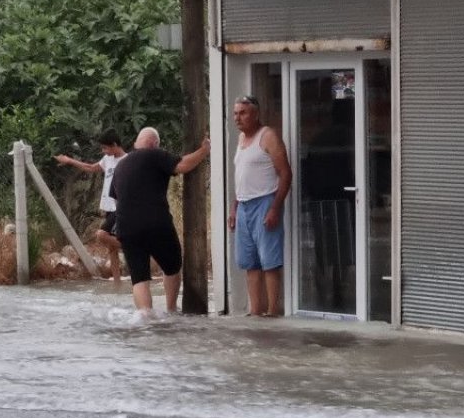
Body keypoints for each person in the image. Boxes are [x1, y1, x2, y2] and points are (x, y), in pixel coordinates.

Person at [110, 127, 210, 316]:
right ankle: (171, 310)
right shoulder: (153, 154)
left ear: (136, 144)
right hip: (155, 223)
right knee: (172, 265)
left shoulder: (121, 166)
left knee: (139, 278)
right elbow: (183, 165)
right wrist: (204, 150)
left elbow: (115, 199)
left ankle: (145, 320)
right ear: (154, 144)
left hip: (126, 227)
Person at [229, 95, 292, 317]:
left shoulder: (268, 136)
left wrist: (275, 207)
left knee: (269, 261)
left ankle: (273, 310)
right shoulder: (240, 139)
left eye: (243, 113)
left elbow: (285, 173)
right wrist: (234, 207)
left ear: (255, 114)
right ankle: (255, 310)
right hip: (244, 204)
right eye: (236, 113)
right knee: (250, 262)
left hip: (265, 201)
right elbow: (241, 176)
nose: (238, 118)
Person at [54, 129, 127, 284]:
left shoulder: (128, 160)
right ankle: (117, 282)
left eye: (105, 148)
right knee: (111, 248)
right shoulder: (107, 159)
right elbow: (91, 168)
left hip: (120, 207)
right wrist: (70, 161)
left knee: (101, 235)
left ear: (114, 145)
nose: (104, 151)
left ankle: (138, 247)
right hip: (108, 207)